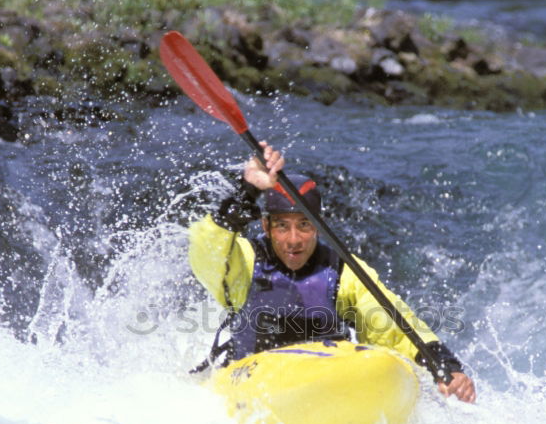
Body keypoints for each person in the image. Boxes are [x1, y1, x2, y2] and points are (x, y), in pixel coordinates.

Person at [189, 143, 476, 403]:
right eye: (282, 226)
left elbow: (394, 323)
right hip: (251, 380)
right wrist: (248, 188)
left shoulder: (343, 271)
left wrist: (446, 367)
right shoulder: (245, 261)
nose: (293, 240)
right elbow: (206, 249)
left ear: (318, 226)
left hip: (324, 381)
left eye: (304, 225)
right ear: (265, 227)